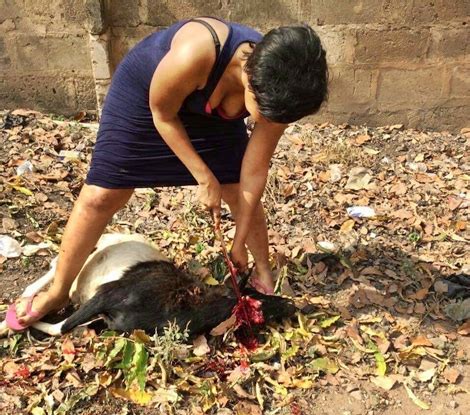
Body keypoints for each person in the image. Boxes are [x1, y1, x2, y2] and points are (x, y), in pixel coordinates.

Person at [7, 17, 328, 329]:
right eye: (267, 113)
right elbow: (162, 114)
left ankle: (262, 273)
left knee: (235, 189)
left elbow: (254, 173)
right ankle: (58, 291)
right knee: (102, 196)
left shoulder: (284, 90)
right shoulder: (197, 51)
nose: (273, 122)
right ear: (251, 78)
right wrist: (204, 177)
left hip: (212, 115)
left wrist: (238, 241)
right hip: (149, 99)